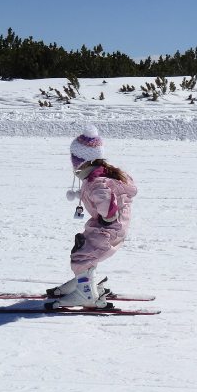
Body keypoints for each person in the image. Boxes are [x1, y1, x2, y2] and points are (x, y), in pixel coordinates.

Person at [44, 126, 138, 309]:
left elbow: (105, 201)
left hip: (109, 228)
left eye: (74, 158)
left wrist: (107, 217)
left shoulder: (96, 183)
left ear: (81, 160)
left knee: (81, 256)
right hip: (110, 227)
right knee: (85, 249)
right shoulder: (100, 175)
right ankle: (83, 282)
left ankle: (85, 294)